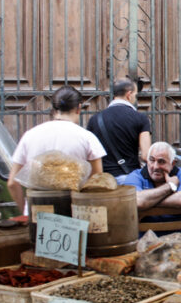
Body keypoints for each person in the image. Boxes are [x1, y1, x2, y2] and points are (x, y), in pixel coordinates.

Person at [7, 86, 106, 214]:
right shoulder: (87, 138)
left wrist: (24, 212)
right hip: (73, 214)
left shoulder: (30, 135)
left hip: (37, 213)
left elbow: (12, 183)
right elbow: (97, 184)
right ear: (79, 108)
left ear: (53, 109)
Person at [87, 77, 152, 177]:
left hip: (104, 179)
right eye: (135, 95)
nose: (135, 98)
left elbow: (90, 153)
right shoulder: (141, 118)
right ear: (129, 95)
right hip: (130, 177)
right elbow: (145, 155)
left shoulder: (95, 119)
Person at [119, 142, 181, 218]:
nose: (155, 167)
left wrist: (147, 201)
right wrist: (170, 186)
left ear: (172, 163)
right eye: (152, 160)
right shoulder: (135, 176)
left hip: (176, 229)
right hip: (144, 229)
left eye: (161, 161)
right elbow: (137, 201)